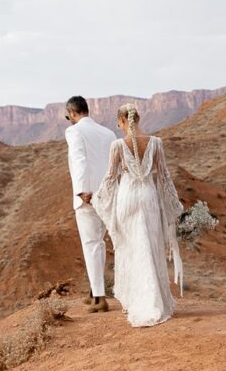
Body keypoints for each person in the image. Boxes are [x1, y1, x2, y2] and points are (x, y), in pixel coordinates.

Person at [92, 103, 183, 327]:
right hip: (149, 198)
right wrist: (174, 204)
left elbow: (110, 179)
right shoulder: (156, 143)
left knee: (132, 248)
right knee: (149, 247)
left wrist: (96, 198)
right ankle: (155, 301)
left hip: (127, 199)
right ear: (138, 119)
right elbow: (164, 177)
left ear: (122, 121)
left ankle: (135, 301)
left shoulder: (117, 145)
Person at [63, 94, 118, 313]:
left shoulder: (74, 131)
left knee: (92, 243)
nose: (70, 120)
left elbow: (79, 161)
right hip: (110, 194)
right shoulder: (108, 133)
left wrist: (81, 191)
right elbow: (115, 164)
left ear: (73, 113)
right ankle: (94, 291)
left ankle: (99, 298)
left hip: (88, 195)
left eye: (69, 116)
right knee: (102, 243)